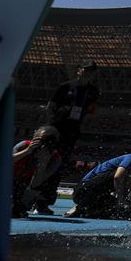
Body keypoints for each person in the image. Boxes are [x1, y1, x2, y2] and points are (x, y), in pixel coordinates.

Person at [36, 60, 101, 214]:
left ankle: (44, 202)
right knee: (44, 163)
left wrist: (83, 124)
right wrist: (50, 127)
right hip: (56, 130)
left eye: (91, 71)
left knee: (58, 167)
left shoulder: (93, 91)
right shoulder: (65, 86)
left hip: (72, 133)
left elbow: (91, 111)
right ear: (79, 70)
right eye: (85, 70)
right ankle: (32, 198)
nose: (88, 73)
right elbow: (50, 107)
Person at [66, 153, 131, 220]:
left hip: (88, 194)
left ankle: (84, 209)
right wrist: (121, 198)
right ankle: (83, 207)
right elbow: (117, 177)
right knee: (124, 175)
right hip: (83, 190)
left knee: (114, 212)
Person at [12, 126, 62, 218]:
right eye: (40, 141)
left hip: (25, 188)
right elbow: (3, 163)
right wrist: (27, 151)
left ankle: (25, 206)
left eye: (48, 142)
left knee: (43, 185)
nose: (43, 145)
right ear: (34, 139)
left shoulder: (55, 159)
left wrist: (43, 163)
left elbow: (36, 184)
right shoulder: (23, 145)